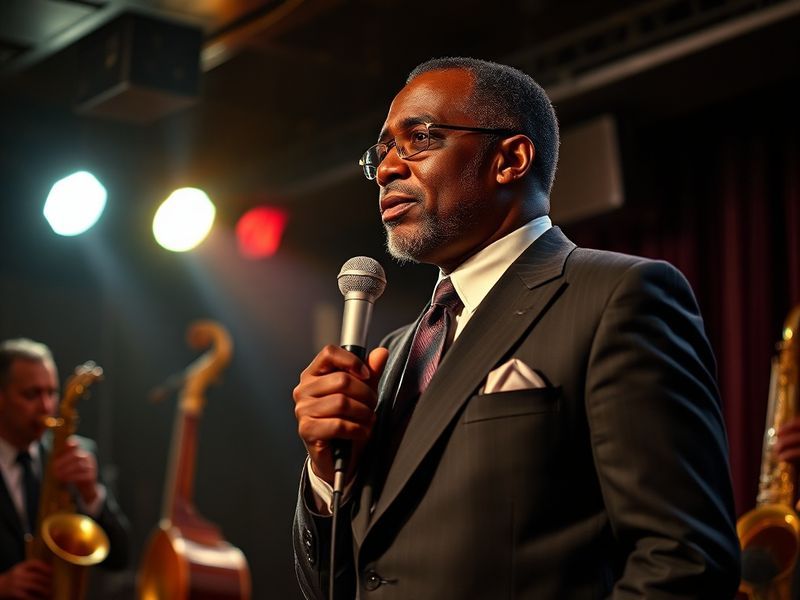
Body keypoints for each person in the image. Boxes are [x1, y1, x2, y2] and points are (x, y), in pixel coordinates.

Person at [292, 57, 740, 599]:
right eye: (384, 149)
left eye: (420, 139)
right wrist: (325, 473)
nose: (388, 167)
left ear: (510, 159)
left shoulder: (617, 295)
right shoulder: (394, 355)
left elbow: (684, 560)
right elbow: (339, 586)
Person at [0, 338, 129, 599]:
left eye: (51, 392)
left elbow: (120, 557)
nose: (47, 407)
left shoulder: (80, 452)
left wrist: (91, 493)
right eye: (31, 394)